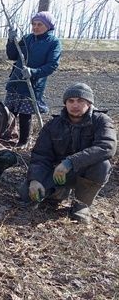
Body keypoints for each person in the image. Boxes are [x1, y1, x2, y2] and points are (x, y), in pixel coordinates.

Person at [18, 83, 116, 224]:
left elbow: (107, 146)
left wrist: (70, 162)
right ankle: (59, 193)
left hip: (85, 172)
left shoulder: (101, 120)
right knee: (25, 193)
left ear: (89, 103)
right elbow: (40, 155)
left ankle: (81, 204)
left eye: (80, 101)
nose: (75, 105)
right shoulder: (53, 124)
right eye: (71, 101)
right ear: (65, 103)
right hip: (58, 173)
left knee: (103, 165)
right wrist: (35, 179)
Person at [5, 11, 62, 147]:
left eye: (39, 24)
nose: (35, 27)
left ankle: (23, 141)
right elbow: (12, 55)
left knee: (25, 115)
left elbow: (52, 65)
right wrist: (11, 41)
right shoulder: (27, 38)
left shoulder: (53, 43)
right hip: (16, 81)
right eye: (33, 24)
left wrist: (33, 72)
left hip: (33, 84)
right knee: (9, 114)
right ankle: (7, 138)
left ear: (48, 26)